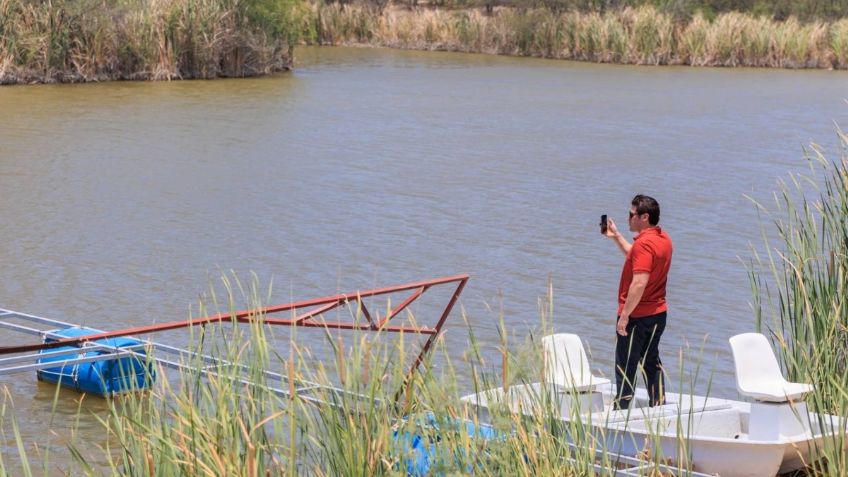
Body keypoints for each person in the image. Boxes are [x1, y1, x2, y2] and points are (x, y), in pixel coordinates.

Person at [603, 195, 673, 409]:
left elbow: (639, 282)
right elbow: (633, 255)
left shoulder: (644, 244)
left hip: (637, 316)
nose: (628, 219)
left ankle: (621, 414)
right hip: (658, 314)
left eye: (631, 215)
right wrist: (616, 236)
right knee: (651, 362)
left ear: (645, 217)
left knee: (625, 366)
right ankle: (659, 406)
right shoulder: (663, 239)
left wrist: (624, 316)